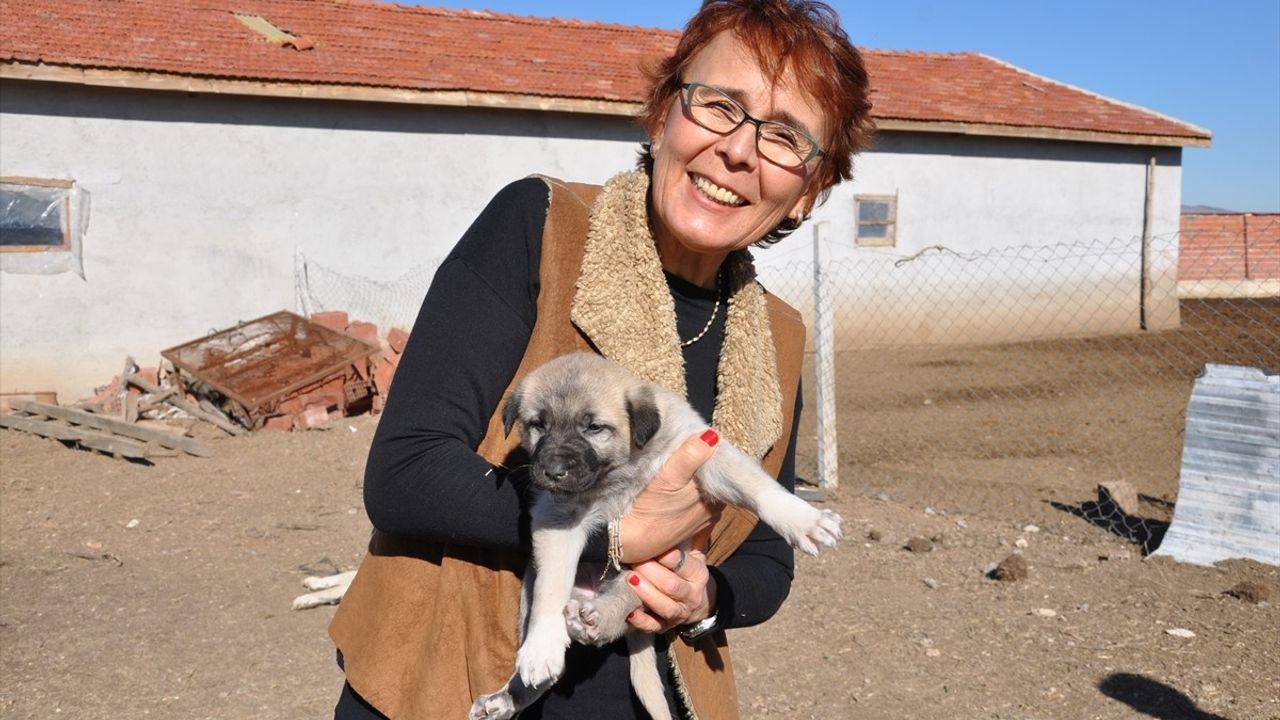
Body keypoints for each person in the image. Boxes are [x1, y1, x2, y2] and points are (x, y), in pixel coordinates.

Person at [329, 1, 873, 717]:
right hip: (445, 683)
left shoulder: (777, 334)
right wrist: (620, 533)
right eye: (718, 105)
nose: (739, 151)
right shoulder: (540, 226)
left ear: (810, 191)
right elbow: (404, 472)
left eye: (785, 137)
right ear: (662, 115)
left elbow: (766, 560)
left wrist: (705, 598)